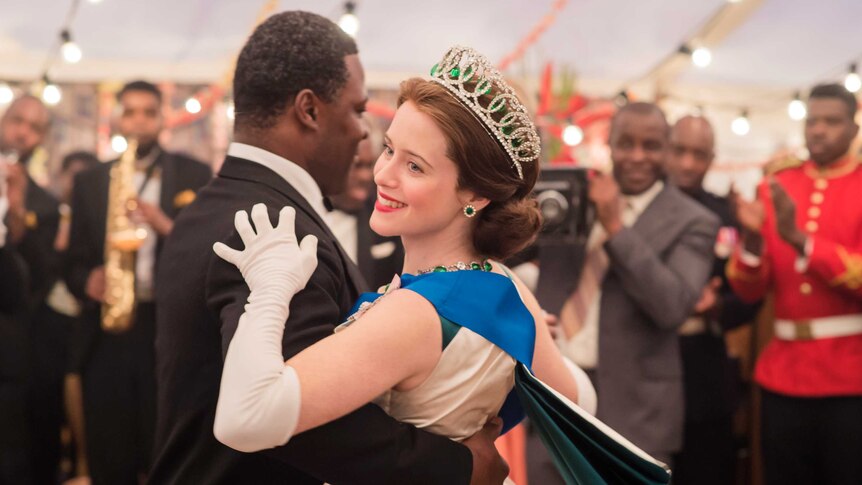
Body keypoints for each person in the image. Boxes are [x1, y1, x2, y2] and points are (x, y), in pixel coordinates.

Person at [210, 43, 608, 484]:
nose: (383, 174)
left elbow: (242, 421)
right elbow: (580, 402)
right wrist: (528, 349)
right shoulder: (504, 287)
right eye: (388, 149)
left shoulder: (415, 314)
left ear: (475, 195)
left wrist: (268, 291)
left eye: (414, 167)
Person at [151, 14, 511, 485]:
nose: (363, 135)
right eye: (357, 110)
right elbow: (305, 424)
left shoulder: (213, 206)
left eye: (415, 164)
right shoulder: (270, 225)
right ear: (310, 110)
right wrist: (460, 466)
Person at [64, 81, 211, 485]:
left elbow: (210, 250)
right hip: (107, 331)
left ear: (162, 118)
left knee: (165, 446)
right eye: (130, 112)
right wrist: (86, 280)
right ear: (117, 119)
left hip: (168, 330)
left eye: (148, 112)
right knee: (109, 449)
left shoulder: (194, 174)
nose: (139, 121)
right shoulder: (90, 181)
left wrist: (166, 226)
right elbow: (72, 260)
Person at [555, 102, 720, 464]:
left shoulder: (694, 221)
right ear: (609, 144)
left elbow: (672, 306)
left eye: (651, 145)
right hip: (557, 396)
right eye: (625, 143)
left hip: (637, 415)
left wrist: (616, 228)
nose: (637, 156)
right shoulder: (575, 200)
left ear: (667, 149)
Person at [727, 83, 862, 485]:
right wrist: (751, 242)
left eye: (832, 122)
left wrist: (801, 239)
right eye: (812, 121)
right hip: (782, 373)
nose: (818, 130)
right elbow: (750, 291)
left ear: (854, 129)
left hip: (851, 375)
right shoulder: (776, 186)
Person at [664, 115, 761, 484]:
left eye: (699, 154)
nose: (688, 163)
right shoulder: (638, 210)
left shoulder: (728, 216)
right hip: (643, 375)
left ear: (712, 158)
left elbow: (751, 299)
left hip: (706, 374)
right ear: (666, 150)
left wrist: (718, 309)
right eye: (680, 151)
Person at [28, 151, 100, 485]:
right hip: (50, 323)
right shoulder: (50, 212)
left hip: (84, 323)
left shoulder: (93, 216)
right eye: (72, 175)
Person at [328, 117, 405, 288]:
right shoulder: (304, 212)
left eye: (369, 165)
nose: (365, 176)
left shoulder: (389, 215)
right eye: (356, 165)